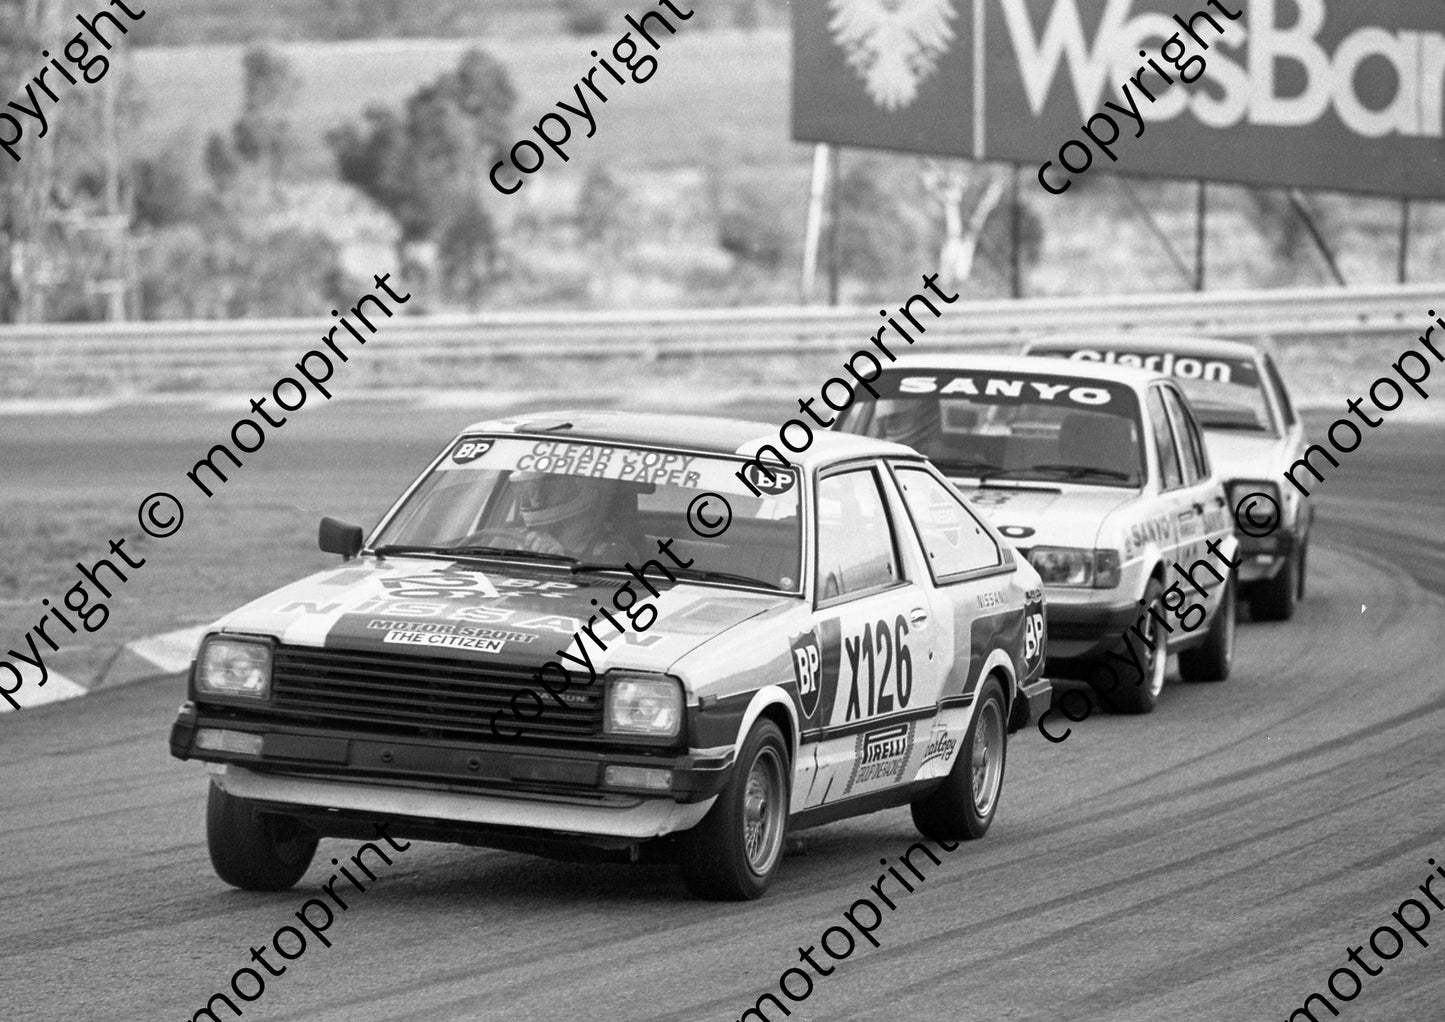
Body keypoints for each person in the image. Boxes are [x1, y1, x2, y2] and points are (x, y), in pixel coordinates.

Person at [473, 471, 641, 562]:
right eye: (529, 488)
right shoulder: (507, 541)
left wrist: (564, 558)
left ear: (582, 487)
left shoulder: (616, 551)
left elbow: (604, 602)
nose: (535, 497)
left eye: (546, 487)